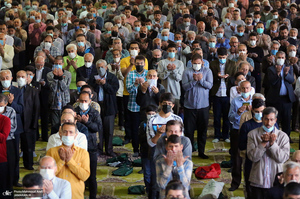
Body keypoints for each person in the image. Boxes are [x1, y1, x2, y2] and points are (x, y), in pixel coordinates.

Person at [247, 107, 290, 198]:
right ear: (262, 119)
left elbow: (282, 158)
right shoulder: (252, 134)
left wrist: (272, 145)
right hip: (258, 181)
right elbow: (252, 157)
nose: (268, 123)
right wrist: (263, 143)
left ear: (275, 120)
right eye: (266, 119)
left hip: (276, 182)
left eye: (271, 119)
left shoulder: (283, 136)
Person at [46, 122, 90, 199]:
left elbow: (84, 176)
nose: (68, 135)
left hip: (76, 196)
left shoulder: (83, 153)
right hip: (55, 195)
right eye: (65, 132)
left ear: (76, 135)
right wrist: (61, 161)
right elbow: (47, 176)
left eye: (71, 132)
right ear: (60, 134)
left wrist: (70, 161)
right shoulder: (51, 152)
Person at [182, 54, 213, 158]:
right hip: (189, 106)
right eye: (195, 63)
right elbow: (185, 87)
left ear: (202, 63)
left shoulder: (207, 71)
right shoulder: (187, 71)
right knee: (189, 131)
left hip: (203, 106)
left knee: (202, 131)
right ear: (191, 62)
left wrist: (201, 80)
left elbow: (209, 86)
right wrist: (194, 81)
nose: (197, 65)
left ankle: (201, 152)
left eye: (198, 63)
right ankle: (189, 152)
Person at [74, 91, 102, 199]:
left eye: (86, 101)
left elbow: (97, 128)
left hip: (91, 147)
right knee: (78, 175)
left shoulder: (94, 113)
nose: (83, 103)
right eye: (81, 101)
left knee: (92, 176)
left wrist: (86, 122)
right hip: (77, 147)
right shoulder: (74, 112)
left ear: (90, 101)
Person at [89, 59, 119, 157]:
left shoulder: (112, 77)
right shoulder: (93, 77)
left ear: (106, 67)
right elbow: (90, 90)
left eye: (102, 67)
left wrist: (104, 84)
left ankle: (109, 150)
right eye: (98, 67)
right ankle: (99, 149)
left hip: (109, 106)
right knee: (99, 129)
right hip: (97, 106)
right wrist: (97, 84)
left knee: (109, 130)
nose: (100, 69)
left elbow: (114, 90)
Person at [0, 69, 23, 187]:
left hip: (14, 130)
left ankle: (14, 179)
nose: (5, 80)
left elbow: (20, 109)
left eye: (7, 78)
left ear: (11, 78)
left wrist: (12, 102)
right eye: (3, 78)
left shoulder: (18, 91)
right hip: (0, 130)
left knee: (14, 156)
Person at [238, 98, 265, 198]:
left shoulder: (269, 124)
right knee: (250, 185)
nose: (259, 113)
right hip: (250, 159)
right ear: (252, 110)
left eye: (262, 111)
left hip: (265, 159)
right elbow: (241, 145)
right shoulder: (247, 125)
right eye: (257, 111)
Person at [228, 80, 252, 191]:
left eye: (247, 88)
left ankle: (249, 184)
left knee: (251, 158)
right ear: (239, 89)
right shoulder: (235, 101)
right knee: (236, 159)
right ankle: (235, 183)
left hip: (252, 132)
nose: (245, 90)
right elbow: (230, 118)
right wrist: (238, 112)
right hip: (237, 131)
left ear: (250, 89)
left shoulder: (255, 101)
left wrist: (252, 111)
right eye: (243, 88)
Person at [266, 51, 295, 139]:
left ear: (285, 58)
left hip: (286, 99)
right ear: (275, 58)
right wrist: (278, 73)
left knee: (286, 120)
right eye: (279, 57)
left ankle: (287, 139)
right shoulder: (271, 69)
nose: (281, 59)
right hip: (275, 99)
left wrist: (286, 74)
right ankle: (274, 138)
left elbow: (291, 80)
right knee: (275, 120)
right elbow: (272, 82)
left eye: (282, 58)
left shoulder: (289, 67)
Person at [210, 47, 236, 143]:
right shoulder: (213, 64)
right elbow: (210, 78)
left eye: (223, 57)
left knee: (226, 117)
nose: (222, 58)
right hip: (217, 94)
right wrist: (218, 77)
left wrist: (227, 78)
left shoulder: (232, 64)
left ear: (227, 56)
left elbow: (234, 79)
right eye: (220, 57)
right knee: (216, 116)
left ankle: (226, 135)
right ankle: (217, 135)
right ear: (217, 56)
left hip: (227, 94)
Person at [156, 134, 193, 199]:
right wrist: (168, 166)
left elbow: (185, 185)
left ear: (181, 147)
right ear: (166, 147)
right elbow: (162, 185)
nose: (173, 149)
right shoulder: (160, 162)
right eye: (171, 146)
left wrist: (180, 166)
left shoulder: (188, 163)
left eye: (176, 146)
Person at [16, 70, 39, 170]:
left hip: (28, 122)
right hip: (16, 122)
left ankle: (28, 164)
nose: (21, 78)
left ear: (27, 78)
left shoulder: (33, 91)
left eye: (23, 76)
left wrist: (34, 124)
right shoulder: (13, 90)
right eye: (18, 76)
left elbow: (36, 108)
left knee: (27, 146)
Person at [126, 55, 148, 156]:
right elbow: (128, 90)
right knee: (135, 129)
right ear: (135, 64)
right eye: (137, 63)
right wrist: (135, 84)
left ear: (144, 64)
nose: (139, 65)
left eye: (141, 64)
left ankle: (145, 149)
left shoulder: (148, 74)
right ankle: (135, 149)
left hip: (145, 107)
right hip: (133, 106)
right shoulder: (130, 74)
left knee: (146, 129)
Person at [157, 43, 184, 115]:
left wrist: (174, 70)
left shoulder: (180, 63)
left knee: (175, 114)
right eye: (170, 50)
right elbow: (161, 77)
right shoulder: (162, 62)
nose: (171, 52)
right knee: (164, 113)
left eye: (173, 50)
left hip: (176, 92)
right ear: (167, 51)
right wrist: (168, 70)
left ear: (176, 51)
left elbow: (179, 78)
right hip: (165, 91)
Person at [47, 56, 71, 127]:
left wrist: (60, 78)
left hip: (65, 102)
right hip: (54, 102)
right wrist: (55, 78)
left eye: (59, 63)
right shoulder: (49, 74)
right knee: (55, 125)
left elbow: (64, 88)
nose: (58, 65)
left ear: (63, 64)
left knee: (65, 123)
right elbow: (52, 88)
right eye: (56, 63)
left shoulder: (67, 74)